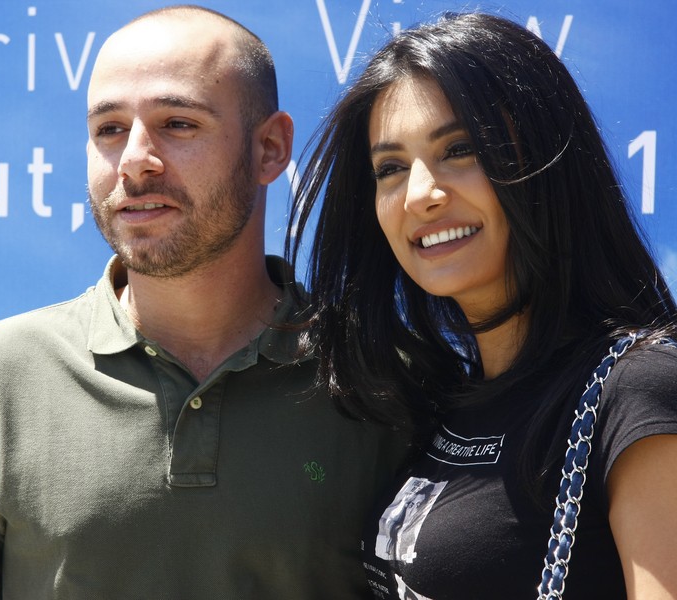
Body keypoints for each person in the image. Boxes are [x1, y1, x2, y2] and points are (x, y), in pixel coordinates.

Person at [0, 6, 408, 599]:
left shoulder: (385, 379)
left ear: (270, 149)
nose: (134, 158)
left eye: (178, 123)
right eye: (109, 129)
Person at [288, 12, 677, 599]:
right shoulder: (442, 398)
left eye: (460, 148)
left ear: (547, 159)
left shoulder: (637, 389)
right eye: (390, 168)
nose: (420, 194)